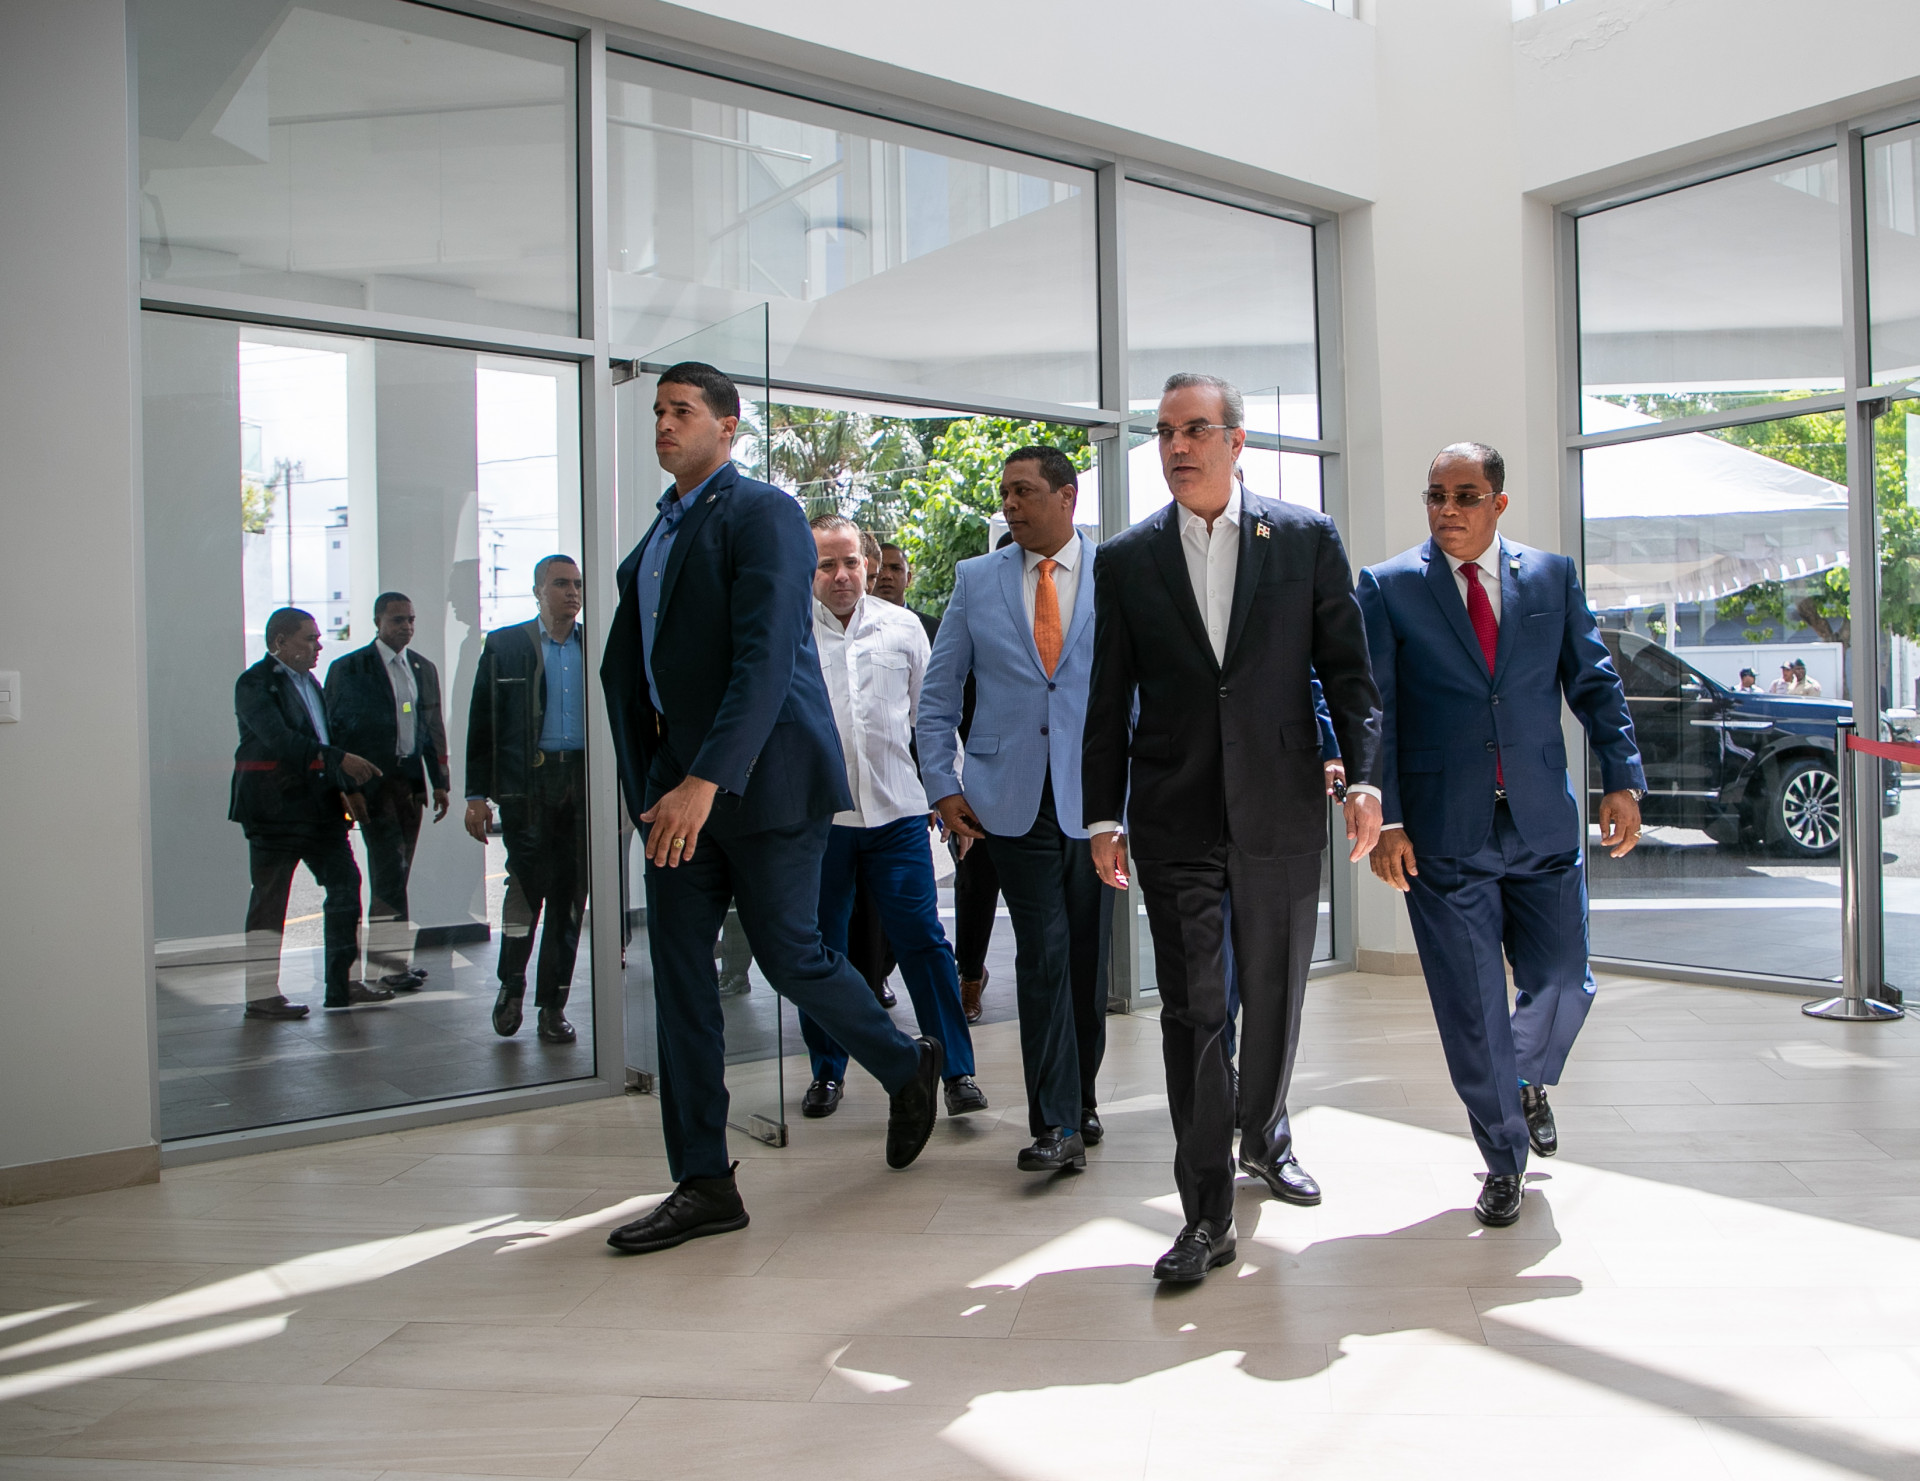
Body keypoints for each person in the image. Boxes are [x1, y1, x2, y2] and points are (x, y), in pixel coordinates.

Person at [599, 361, 942, 1256]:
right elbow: (622, 670)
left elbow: (764, 658)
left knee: (792, 956)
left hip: (769, 780)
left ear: (727, 425)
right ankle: (704, 1180)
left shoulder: (765, 514)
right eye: (658, 411)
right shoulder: (657, 538)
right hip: (677, 794)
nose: (664, 424)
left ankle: (905, 1062)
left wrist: (705, 779)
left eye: (682, 410)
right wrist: (649, 787)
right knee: (680, 977)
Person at [1084, 372, 1384, 1285]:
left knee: (1275, 995)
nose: (1177, 446)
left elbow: (1349, 673)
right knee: (1194, 1013)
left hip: (1281, 806)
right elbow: (1107, 696)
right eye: (1165, 432)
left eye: (1195, 429)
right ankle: (1205, 1213)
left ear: (1236, 440)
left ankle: (1264, 1134)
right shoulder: (1127, 558)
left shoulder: (1304, 537)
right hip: (1173, 813)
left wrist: (1366, 780)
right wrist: (1102, 814)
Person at [1357, 441, 1644, 1229]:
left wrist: (1622, 776)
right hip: (1443, 835)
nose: (1447, 509)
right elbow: (1375, 708)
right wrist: (1388, 818)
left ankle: (1525, 1077)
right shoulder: (1388, 586)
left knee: (1564, 980)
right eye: (1436, 495)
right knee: (1474, 1010)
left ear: (1499, 503)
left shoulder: (1551, 577)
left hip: (1542, 819)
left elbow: (1594, 682)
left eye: (1465, 495)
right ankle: (1504, 1157)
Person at [920, 445, 1107, 1174]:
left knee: (1086, 955)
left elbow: (1138, 692)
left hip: (1097, 801)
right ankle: (1054, 1122)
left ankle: (1081, 1098)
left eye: (1024, 491)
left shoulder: (1116, 574)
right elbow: (939, 695)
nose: (1010, 504)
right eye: (1005, 492)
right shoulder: (976, 579)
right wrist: (942, 784)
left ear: (1067, 496)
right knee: (1044, 951)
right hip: (1008, 799)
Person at [796, 513, 986, 1120]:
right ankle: (827, 1071)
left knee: (924, 941)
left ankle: (956, 1071)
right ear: (808, 569)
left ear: (867, 564)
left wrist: (950, 795)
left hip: (899, 815)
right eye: (827, 564)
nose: (841, 575)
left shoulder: (902, 628)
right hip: (820, 822)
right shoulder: (789, 630)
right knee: (822, 947)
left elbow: (932, 719)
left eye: (850, 562)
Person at [229, 607, 391, 1019]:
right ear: (280, 642)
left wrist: (346, 788)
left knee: (346, 885)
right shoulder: (254, 683)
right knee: (270, 902)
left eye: (318, 638)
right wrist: (340, 760)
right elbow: (281, 741)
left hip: (319, 809)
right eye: (310, 638)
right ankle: (261, 995)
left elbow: (321, 739)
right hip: (274, 812)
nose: (319, 646)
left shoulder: (312, 684)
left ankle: (343, 985)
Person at [463, 555, 590, 1046]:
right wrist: (477, 794)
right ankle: (511, 986)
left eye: (577, 584)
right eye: (560, 583)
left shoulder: (593, 646)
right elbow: (483, 722)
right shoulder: (506, 645)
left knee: (570, 899)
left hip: (580, 782)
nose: (572, 592)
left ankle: (553, 1006)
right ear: (538, 591)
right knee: (524, 889)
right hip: (528, 786)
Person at [880, 536, 998, 1022]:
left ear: (909, 576)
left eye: (895, 567)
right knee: (910, 891)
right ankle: (885, 971)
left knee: (975, 877)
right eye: (879, 567)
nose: (886, 576)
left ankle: (969, 973)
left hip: (970, 776)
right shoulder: (830, 634)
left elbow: (956, 708)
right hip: (907, 784)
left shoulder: (930, 627)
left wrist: (950, 780)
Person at [323, 592, 450, 990]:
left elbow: (432, 728)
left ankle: (392, 963)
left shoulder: (422, 668)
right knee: (388, 871)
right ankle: (386, 967)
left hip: (409, 785)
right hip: (372, 785)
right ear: (378, 622)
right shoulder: (350, 668)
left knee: (399, 872)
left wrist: (440, 781)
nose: (406, 627)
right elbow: (335, 732)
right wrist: (348, 788)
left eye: (410, 619)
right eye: (397, 620)